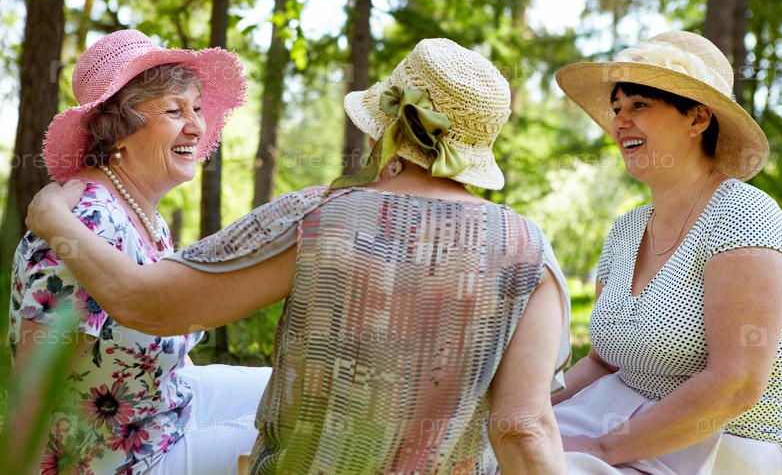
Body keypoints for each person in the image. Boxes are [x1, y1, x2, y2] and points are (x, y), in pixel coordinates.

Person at [24, 37, 572, 474]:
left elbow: (148, 304)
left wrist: (52, 218)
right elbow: (525, 430)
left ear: (384, 128)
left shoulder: (318, 216)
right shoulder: (530, 252)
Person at [8, 29, 271, 475]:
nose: (197, 125)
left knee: (300, 391)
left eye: (197, 108)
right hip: (117, 458)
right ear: (119, 131)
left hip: (162, 413)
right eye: (174, 110)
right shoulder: (90, 222)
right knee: (309, 427)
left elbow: (163, 343)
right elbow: (30, 395)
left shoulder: (142, 213)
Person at [551, 30, 782, 473]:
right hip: (614, 415)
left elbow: (736, 386)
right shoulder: (626, 228)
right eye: (617, 108)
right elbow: (601, 362)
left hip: (721, 445)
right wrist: (524, 411)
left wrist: (598, 449)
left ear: (698, 118)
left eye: (640, 105)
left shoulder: (745, 216)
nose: (619, 122)